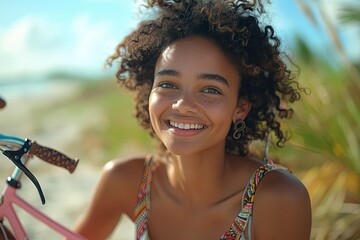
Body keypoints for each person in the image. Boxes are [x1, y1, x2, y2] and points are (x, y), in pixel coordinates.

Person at [74, 0, 312, 239]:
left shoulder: (277, 198)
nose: (183, 105)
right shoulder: (125, 181)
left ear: (240, 107)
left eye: (210, 89)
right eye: (168, 84)